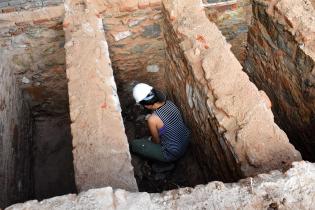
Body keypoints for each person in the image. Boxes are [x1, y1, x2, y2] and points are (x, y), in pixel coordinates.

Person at [130, 83, 190, 162]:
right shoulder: (169, 103)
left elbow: (156, 142)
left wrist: (149, 139)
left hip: (172, 153)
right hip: (185, 141)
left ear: (146, 106)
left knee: (134, 145)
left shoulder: (152, 120)